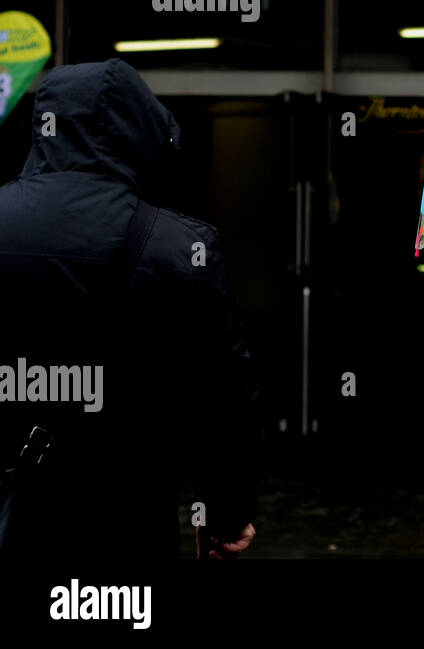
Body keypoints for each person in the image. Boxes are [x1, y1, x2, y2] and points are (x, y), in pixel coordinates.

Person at [0, 59, 260, 560]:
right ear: (138, 130)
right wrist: (224, 513)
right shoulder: (183, 247)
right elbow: (226, 395)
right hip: (128, 512)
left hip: (14, 506)